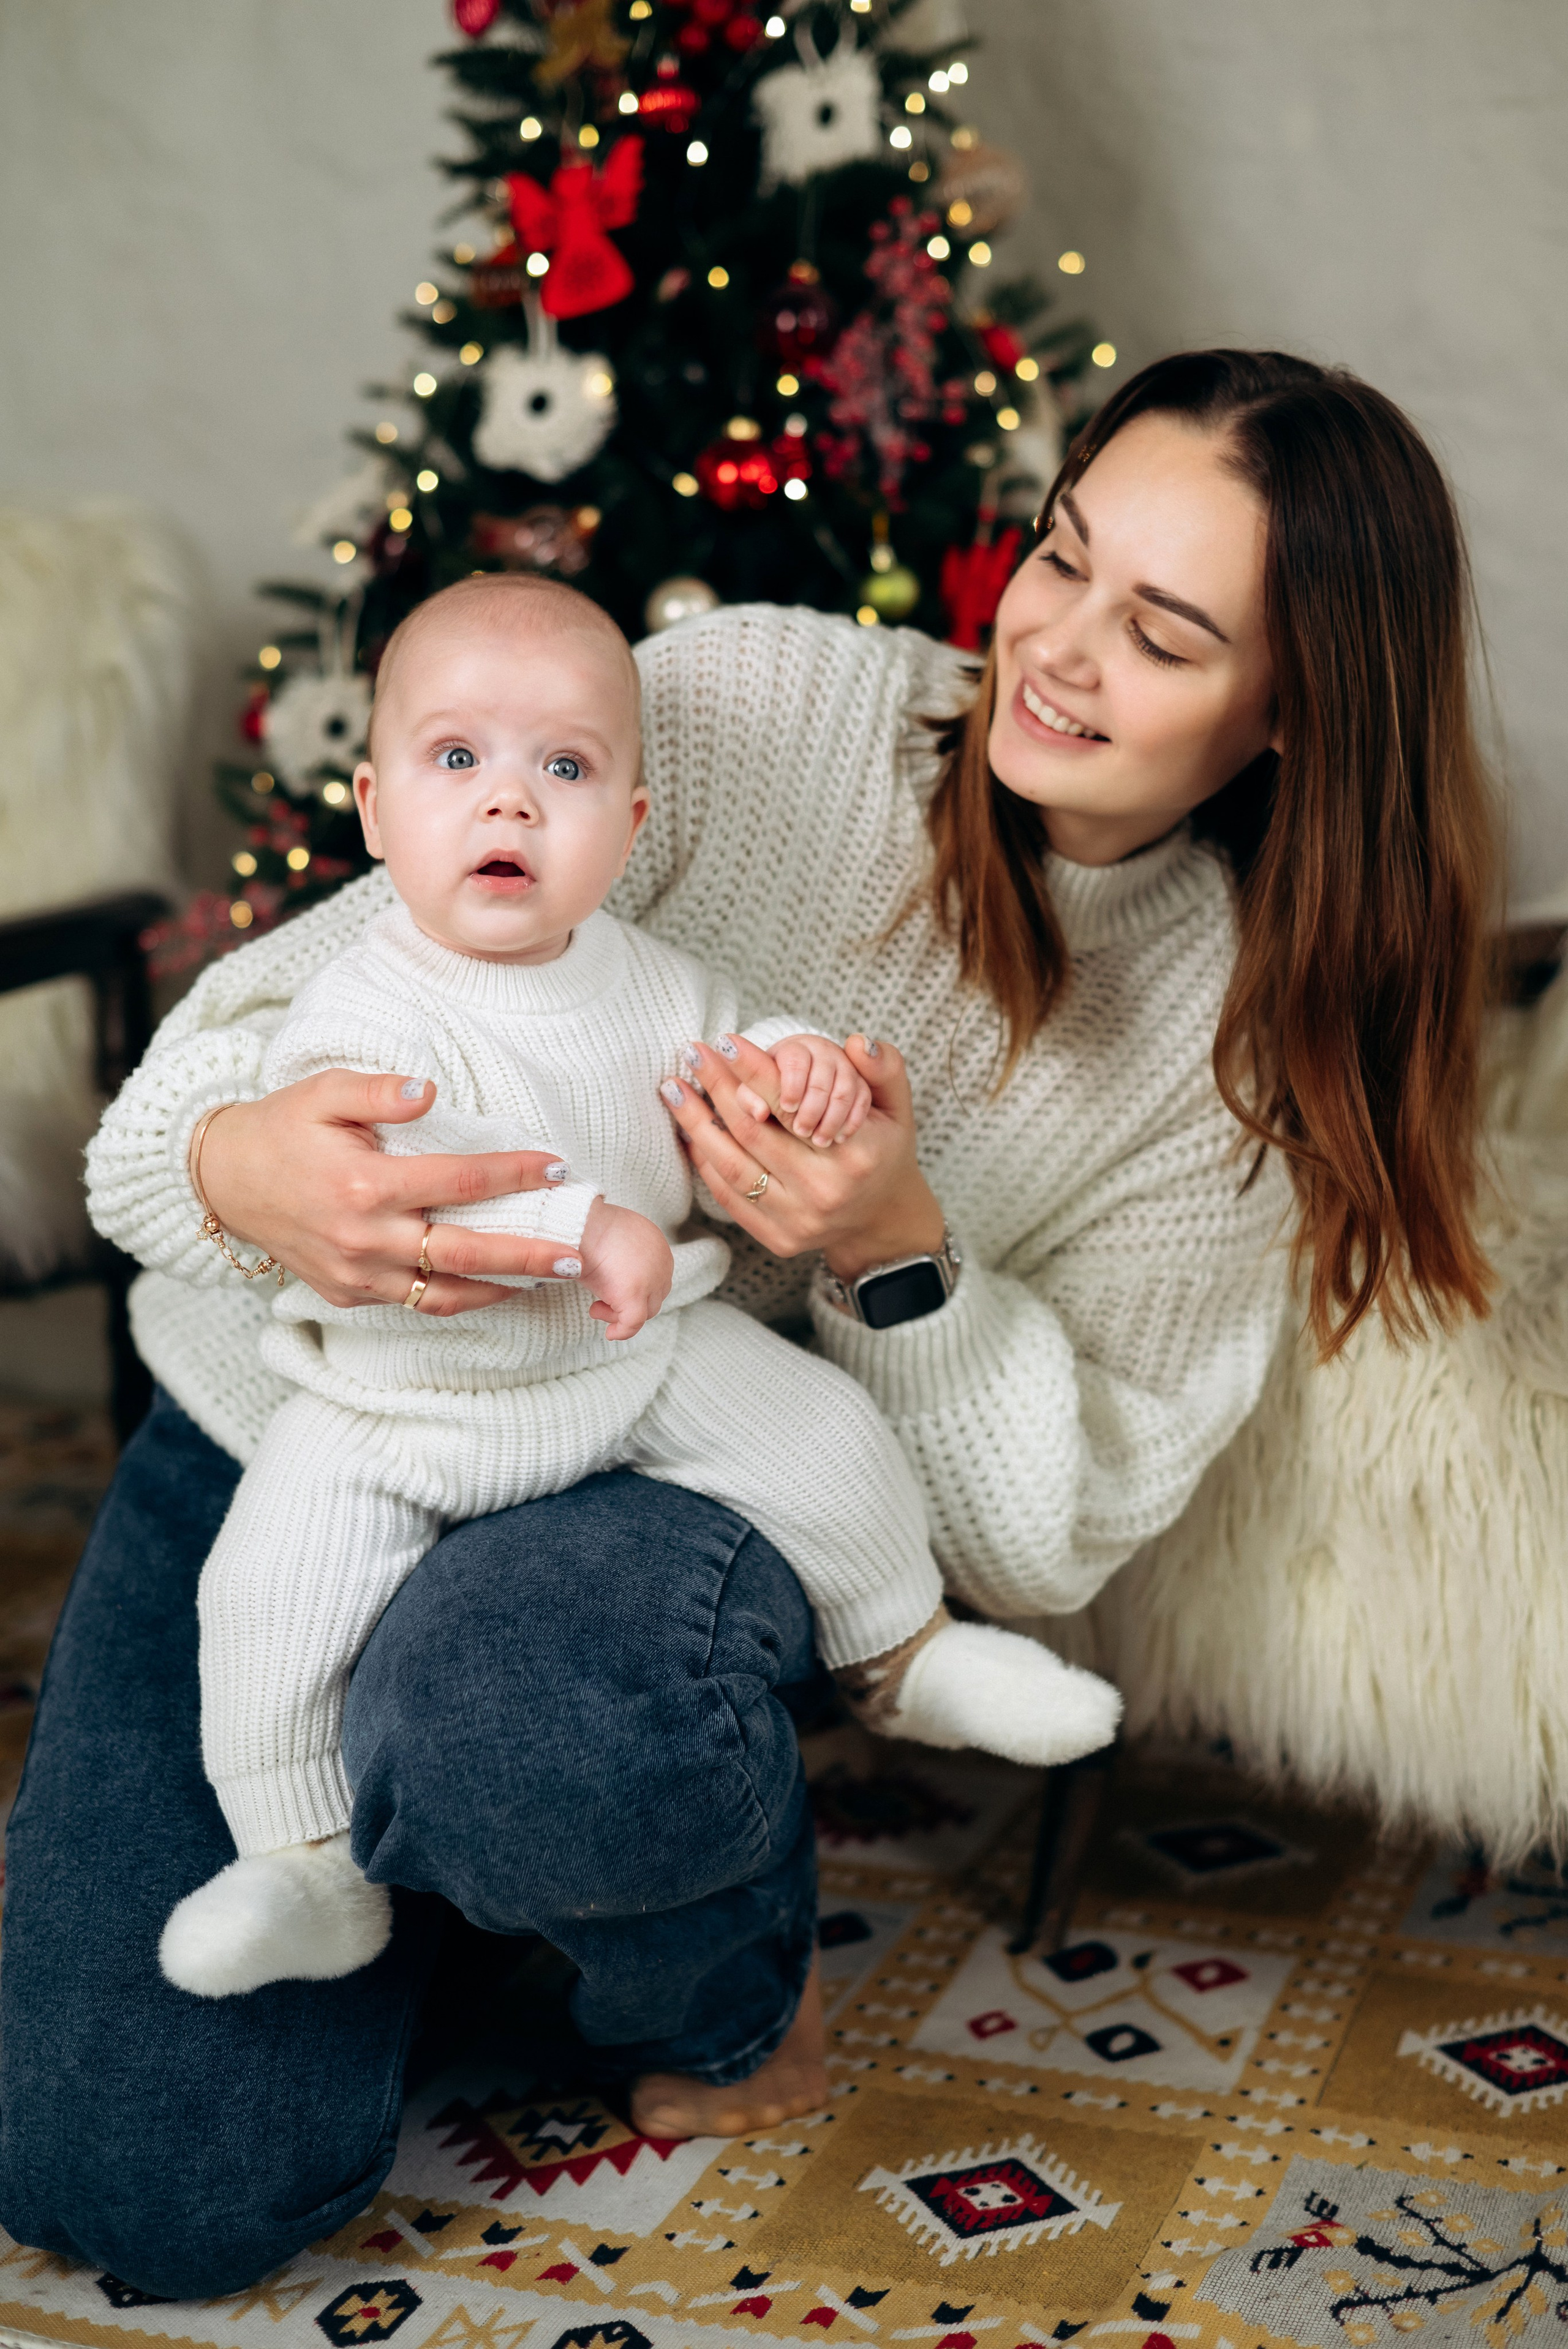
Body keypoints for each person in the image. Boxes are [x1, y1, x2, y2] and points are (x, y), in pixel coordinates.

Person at [0, 350, 1497, 2297]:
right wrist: (239, 1169)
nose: (1054, 651)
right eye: (1061, 559)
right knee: (139, 2183)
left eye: (1167, 631)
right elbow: (163, 1128)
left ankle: (696, 1974)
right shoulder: (755, 707)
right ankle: (447, 1852)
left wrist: (896, 1255)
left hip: (648, 1478)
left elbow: (1044, 1532)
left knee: (526, 1713)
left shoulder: (1236, 1062)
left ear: (1295, 713)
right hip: (297, 1421)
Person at [162, 573, 1118, 2001]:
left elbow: (731, 1046)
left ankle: (904, 1651)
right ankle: (302, 1859)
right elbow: (394, 1154)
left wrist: (799, 1067)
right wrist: (584, 1221)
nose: (508, 804)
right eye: (455, 759)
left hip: (633, 1361)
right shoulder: (363, 1000)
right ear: (372, 811)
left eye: (563, 768)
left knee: (820, 1434)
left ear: (630, 827)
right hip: (395, 1404)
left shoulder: (650, 977)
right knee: (264, 1590)